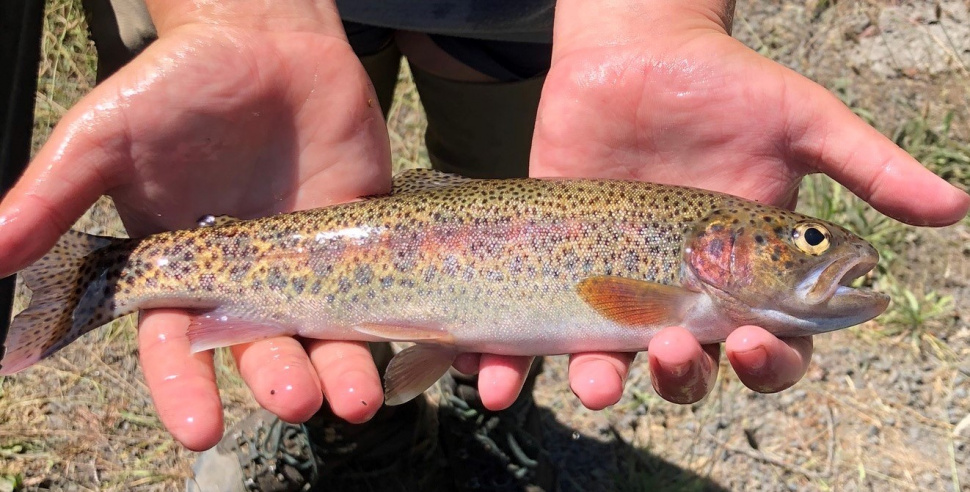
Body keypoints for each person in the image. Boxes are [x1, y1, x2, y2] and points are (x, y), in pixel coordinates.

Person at [1, 0, 966, 490]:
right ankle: (359, 443)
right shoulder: (682, 292)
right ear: (727, 245)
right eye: (800, 238)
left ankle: (458, 407)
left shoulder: (688, 281)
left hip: (542, 21)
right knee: (335, 352)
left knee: (509, 167)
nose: (815, 251)